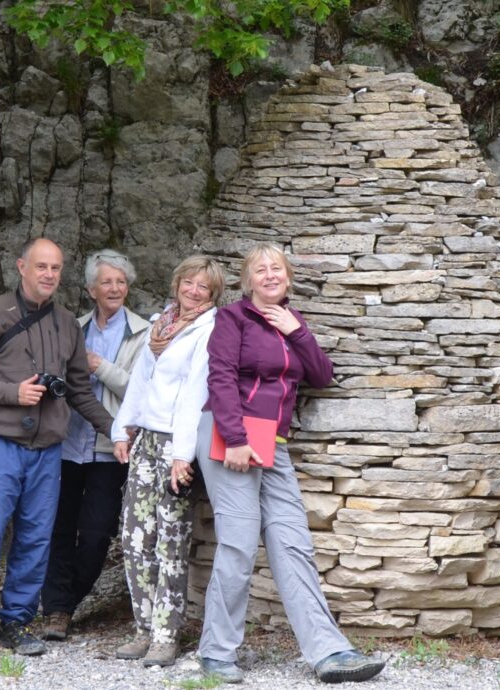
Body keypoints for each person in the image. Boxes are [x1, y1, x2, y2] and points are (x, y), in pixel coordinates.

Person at [194, 242, 385, 685]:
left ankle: (329, 652)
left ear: (287, 276)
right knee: (239, 543)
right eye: (260, 269)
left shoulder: (291, 321)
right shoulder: (232, 318)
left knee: (292, 542)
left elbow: (321, 374)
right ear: (248, 280)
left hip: (273, 442)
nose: (269, 275)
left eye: (276, 268)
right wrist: (237, 438)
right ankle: (216, 653)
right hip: (231, 435)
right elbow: (220, 376)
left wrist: (297, 331)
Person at [0, 238, 114, 661]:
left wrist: (117, 429)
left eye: (56, 268)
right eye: (42, 266)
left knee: (35, 539)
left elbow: (80, 392)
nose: (49, 274)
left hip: (47, 449)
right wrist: (12, 392)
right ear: (22, 267)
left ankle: (15, 623)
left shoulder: (67, 322)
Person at [111, 255, 225, 667]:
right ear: (177, 282)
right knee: (135, 539)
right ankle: (142, 628)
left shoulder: (208, 330)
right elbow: (142, 380)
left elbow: (196, 393)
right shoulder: (161, 324)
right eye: (190, 282)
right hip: (146, 442)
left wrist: (182, 456)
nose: (194, 291)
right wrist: (123, 429)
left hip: (178, 448)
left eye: (204, 288)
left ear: (213, 296)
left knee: (170, 542)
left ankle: (165, 635)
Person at [40, 250, 150, 640]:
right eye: (107, 281)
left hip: (111, 448)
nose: (115, 288)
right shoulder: (73, 327)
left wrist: (99, 366)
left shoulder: (144, 332)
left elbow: (142, 390)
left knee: (97, 531)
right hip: (67, 444)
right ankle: (56, 610)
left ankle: (67, 601)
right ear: (91, 289)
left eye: (121, 281)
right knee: (59, 528)